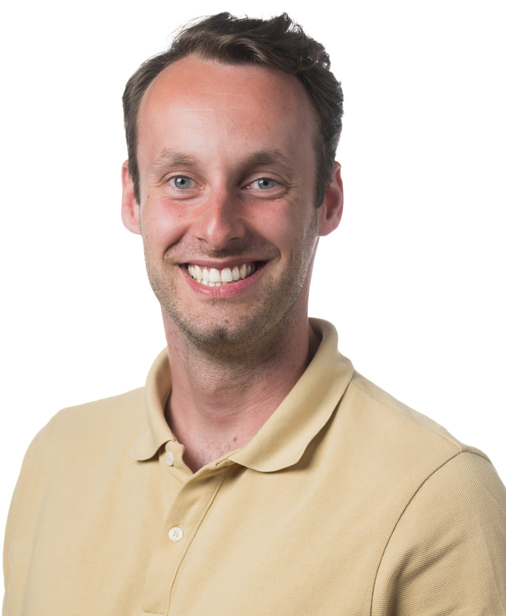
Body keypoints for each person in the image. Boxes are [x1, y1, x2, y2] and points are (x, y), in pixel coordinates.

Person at [3, 12, 506, 615]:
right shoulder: (56, 457)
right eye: (181, 180)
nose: (217, 230)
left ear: (328, 201)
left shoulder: (437, 498)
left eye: (263, 182)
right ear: (133, 198)